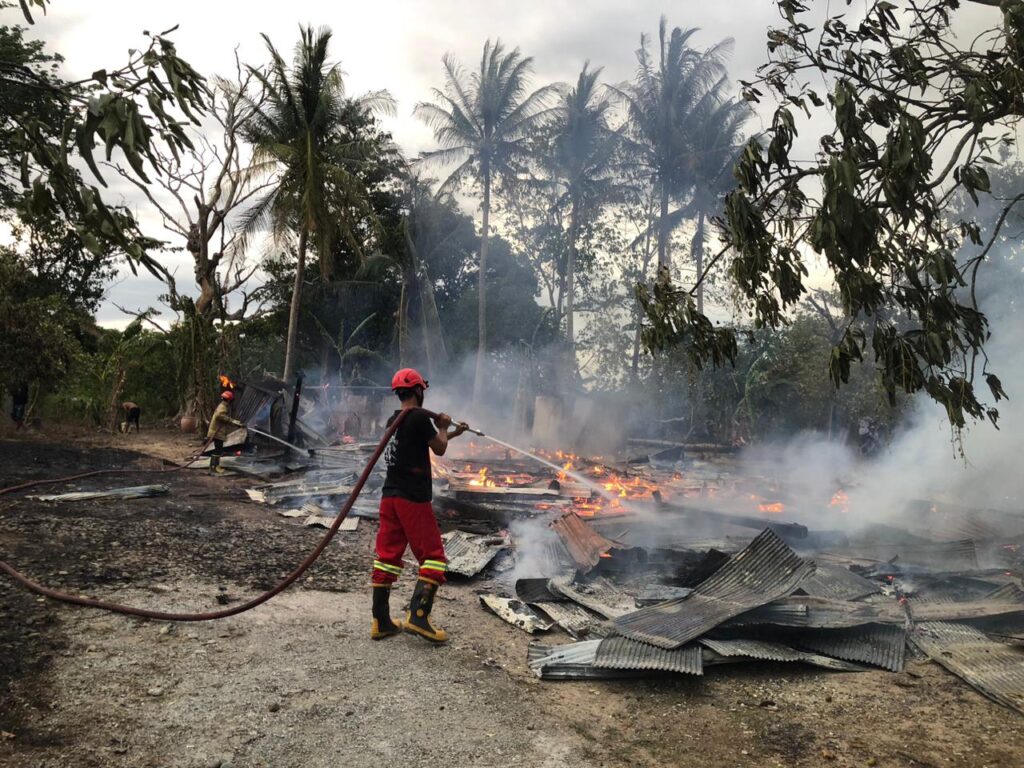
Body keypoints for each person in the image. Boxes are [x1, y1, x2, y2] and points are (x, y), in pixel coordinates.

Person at [370, 368, 467, 642]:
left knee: (387, 557)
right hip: (412, 497)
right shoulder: (420, 417)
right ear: (418, 390)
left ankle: (381, 622)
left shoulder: (395, 419)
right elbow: (439, 447)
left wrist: (453, 432)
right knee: (434, 555)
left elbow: (428, 443)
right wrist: (444, 428)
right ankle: (419, 618)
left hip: (390, 497)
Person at [207, 390, 245, 474]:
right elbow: (219, 416)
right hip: (216, 432)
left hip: (216, 432)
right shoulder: (223, 406)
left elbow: (223, 418)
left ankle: (214, 467)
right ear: (229, 400)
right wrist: (233, 421)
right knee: (218, 450)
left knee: (218, 449)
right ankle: (215, 467)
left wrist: (235, 423)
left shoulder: (223, 405)